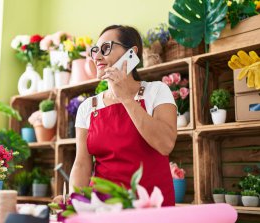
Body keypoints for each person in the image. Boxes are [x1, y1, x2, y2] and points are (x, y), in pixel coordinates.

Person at [57, 25, 177, 206]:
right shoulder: (88, 107)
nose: (96, 56)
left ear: (132, 53)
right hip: (104, 209)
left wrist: (127, 99)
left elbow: (165, 144)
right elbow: (82, 164)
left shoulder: (157, 91)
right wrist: (75, 203)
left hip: (152, 209)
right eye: (95, 50)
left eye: (106, 48)